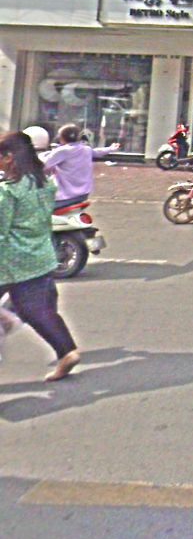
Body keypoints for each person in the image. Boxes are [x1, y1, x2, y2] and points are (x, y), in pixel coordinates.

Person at [0, 131, 80, 381]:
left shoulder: (8, 192)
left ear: (9, 158)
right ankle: (67, 352)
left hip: (10, 260)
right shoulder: (44, 183)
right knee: (37, 310)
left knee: (32, 309)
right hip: (39, 254)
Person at [43, 123, 119, 209]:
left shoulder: (61, 151)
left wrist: (43, 154)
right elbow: (97, 152)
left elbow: (43, 166)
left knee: (38, 205)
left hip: (65, 197)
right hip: (83, 195)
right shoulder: (86, 149)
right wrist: (110, 148)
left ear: (61, 138)